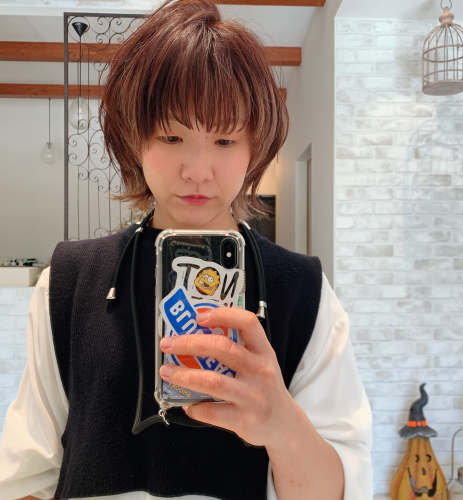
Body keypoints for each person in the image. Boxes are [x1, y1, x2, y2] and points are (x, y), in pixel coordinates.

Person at [0, 0, 373, 499]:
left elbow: (340, 489)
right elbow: (26, 477)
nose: (197, 170)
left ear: (255, 146)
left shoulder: (303, 291)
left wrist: (282, 424)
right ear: (135, 139)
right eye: (171, 136)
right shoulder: (68, 281)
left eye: (225, 140)